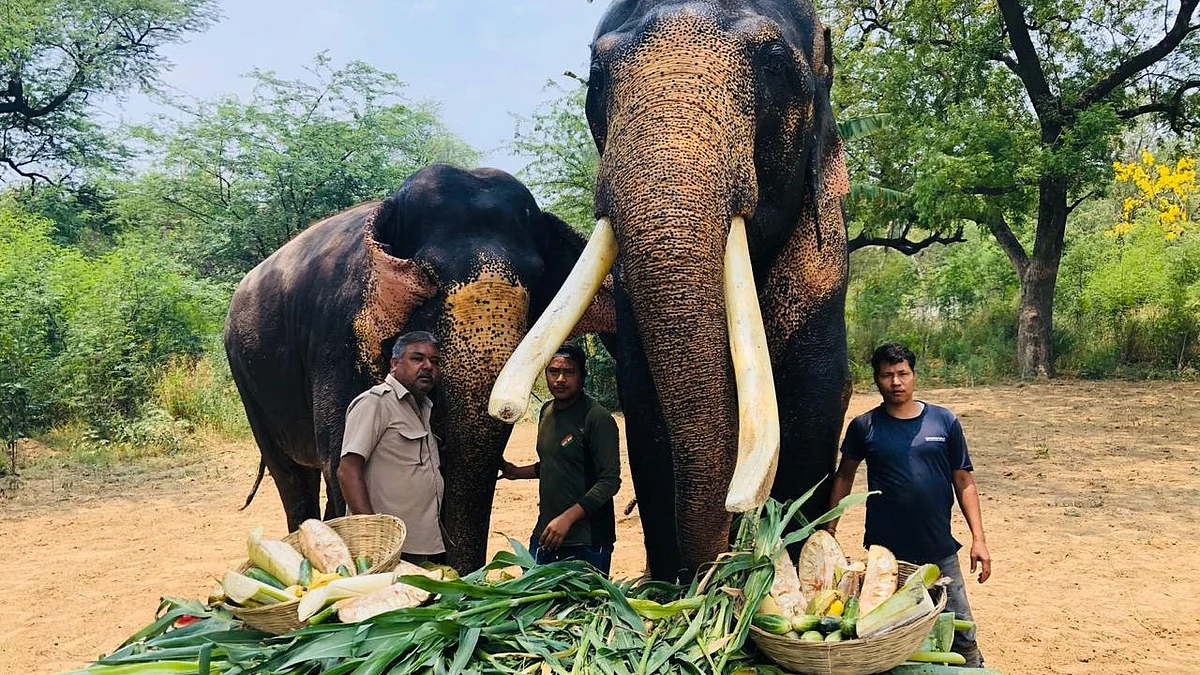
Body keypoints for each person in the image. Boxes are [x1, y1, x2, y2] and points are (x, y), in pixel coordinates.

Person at [826, 343, 991, 667]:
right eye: (887, 375)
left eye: (902, 373)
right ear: (876, 379)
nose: (896, 382)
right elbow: (844, 477)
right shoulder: (865, 426)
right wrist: (830, 529)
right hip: (887, 553)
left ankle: (974, 667)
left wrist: (979, 539)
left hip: (938, 547)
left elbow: (964, 480)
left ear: (914, 376)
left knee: (961, 627)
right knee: (888, 628)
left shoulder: (944, 422)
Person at [500, 344, 621, 575]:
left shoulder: (597, 418)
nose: (561, 379)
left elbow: (609, 481)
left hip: (587, 541)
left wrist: (567, 519)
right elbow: (554, 463)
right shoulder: (546, 412)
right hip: (546, 534)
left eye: (569, 372)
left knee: (583, 610)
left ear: (583, 376)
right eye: (554, 371)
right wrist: (516, 472)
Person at [338, 331, 447, 565]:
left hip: (419, 542)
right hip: (385, 545)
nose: (428, 366)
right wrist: (374, 535)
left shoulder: (423, 407)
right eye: (417, 359)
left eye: (434, 361)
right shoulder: (375, 403)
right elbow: (347, 471)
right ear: (395, 364)